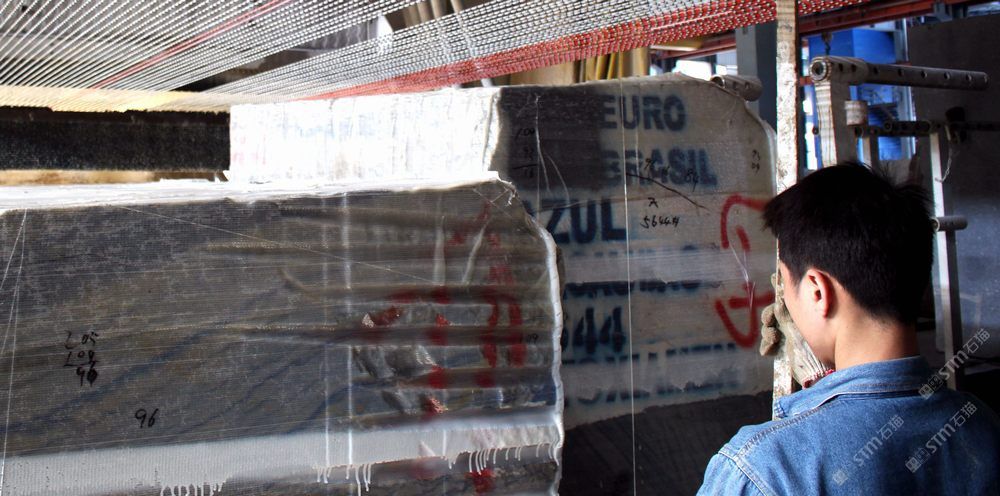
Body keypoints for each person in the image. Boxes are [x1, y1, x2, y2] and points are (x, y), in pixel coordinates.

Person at [697, 163, 1000, 495]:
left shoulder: (762, 470)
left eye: (784, 283)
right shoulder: (983, 426)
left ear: (817, 292)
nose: (784, 300)